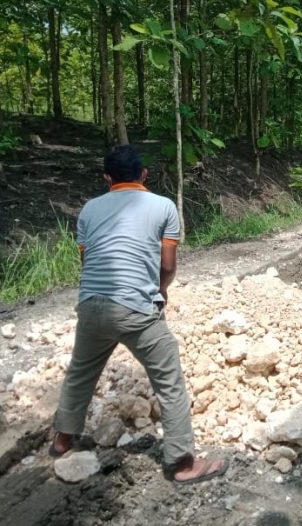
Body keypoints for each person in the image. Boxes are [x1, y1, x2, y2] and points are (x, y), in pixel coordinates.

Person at [49, 145, 228, 485]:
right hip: (135, 309)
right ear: (145, 175)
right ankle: (182, 463)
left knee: (80, 371)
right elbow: (168, 265)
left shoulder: (88, 209)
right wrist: (159, 290)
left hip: (90, 304)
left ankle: (63, 439)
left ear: (107, 178)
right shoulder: (163, 206)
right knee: (169, 380)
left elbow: (88, 263)